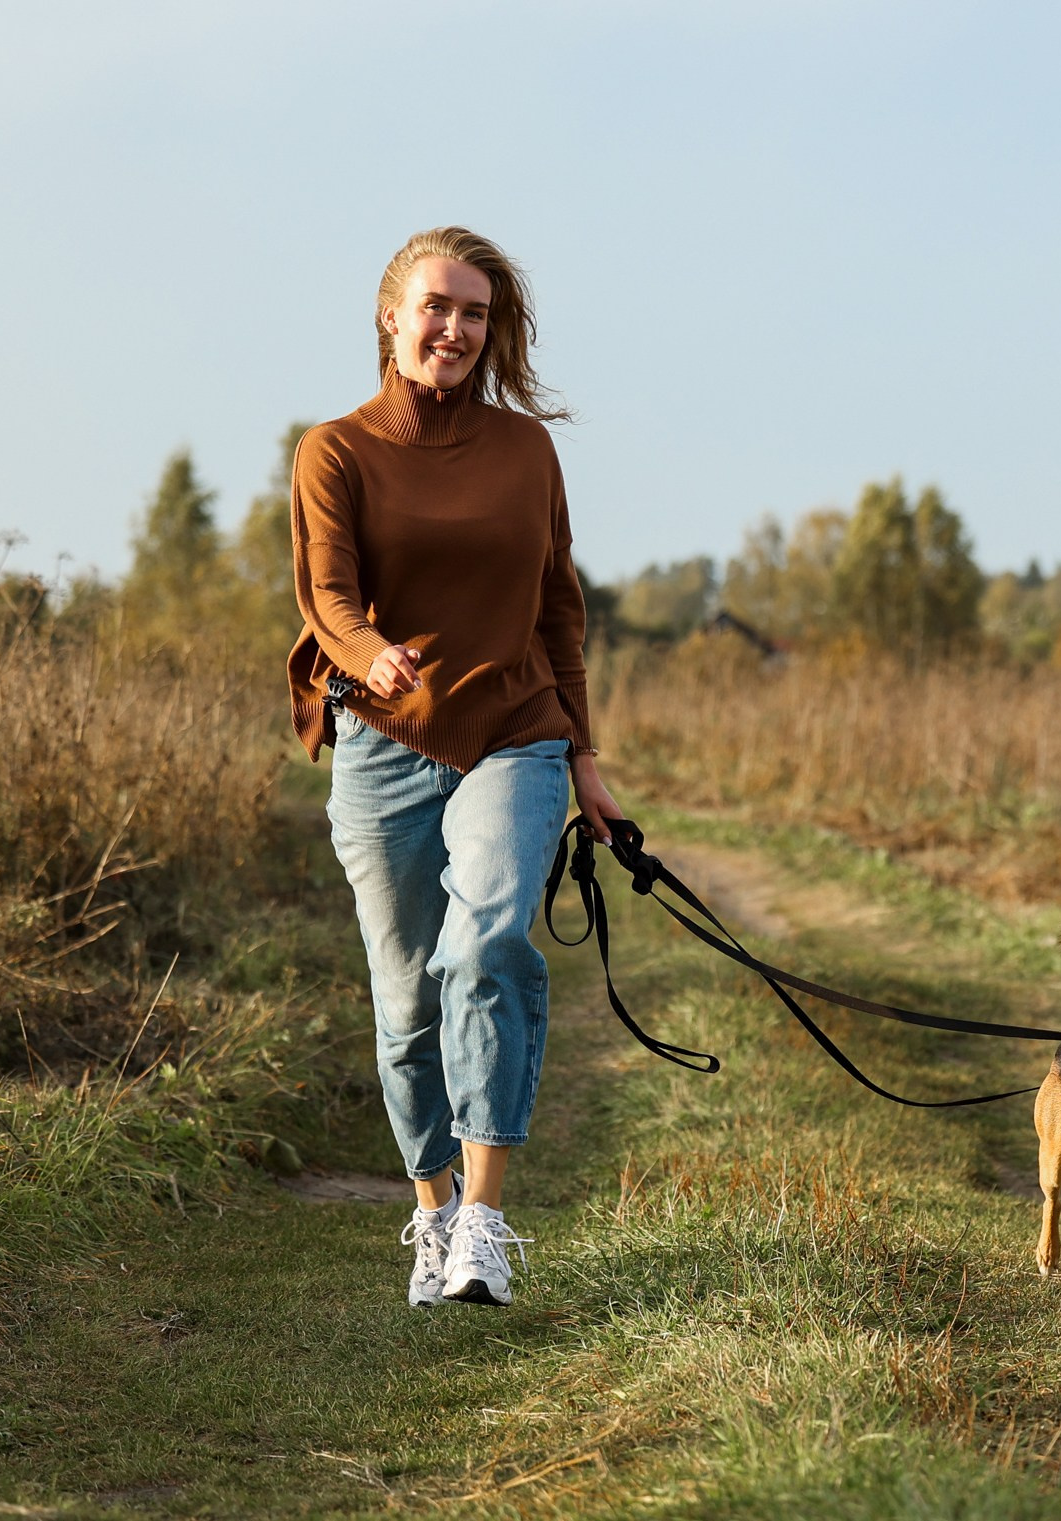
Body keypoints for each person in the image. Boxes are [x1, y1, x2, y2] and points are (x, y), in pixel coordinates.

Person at [286, 226, 622, 1306]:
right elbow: (327, 597)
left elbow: (558, 606)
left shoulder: (527, 452)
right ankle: (430, 1214)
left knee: (483, 948)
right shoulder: (334, 451)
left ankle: (483, 1219)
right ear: (391, 316)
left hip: (513, 732)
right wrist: (368, 654)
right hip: (383, 746)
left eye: (474, 314)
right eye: (437, 307)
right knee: (404, 1005)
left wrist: (584, 755)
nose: (455, 329)